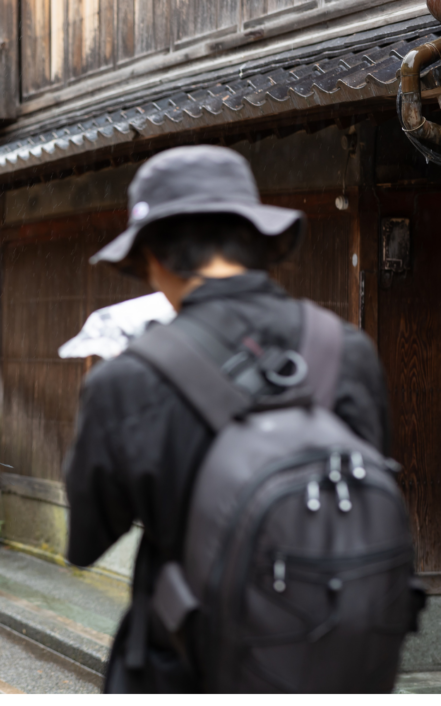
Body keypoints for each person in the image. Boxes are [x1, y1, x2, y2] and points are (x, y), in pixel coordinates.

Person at [63, 146, 391, 692]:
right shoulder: (346, 351)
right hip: (332, 663)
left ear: (156, 257)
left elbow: (87, 541)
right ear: (254, 242)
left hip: (184, 666)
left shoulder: (128, 381)